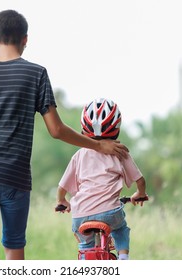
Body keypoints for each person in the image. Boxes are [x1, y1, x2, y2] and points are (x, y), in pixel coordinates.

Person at [0, 10, 129, 260]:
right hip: (13, 175)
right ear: (25, 39)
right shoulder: (36, 73)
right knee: (14, 247)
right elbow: (56, 130)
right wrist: (99, 146)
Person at [56, 97, 147, 260]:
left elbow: (62, 187)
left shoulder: (79, 155)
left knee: (85, 244)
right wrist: (140, 193)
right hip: (110, 213)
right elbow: (140, 181)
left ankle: (85, 259)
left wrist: (61, 201)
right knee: (120, 229)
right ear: (117, 126)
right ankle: (123, 257)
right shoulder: (121, 153)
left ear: (84, 127)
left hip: (80, 216)